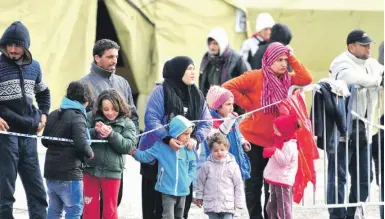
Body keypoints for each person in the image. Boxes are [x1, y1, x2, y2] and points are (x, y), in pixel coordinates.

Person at [223, 42, 312, 219]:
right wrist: (249, 105)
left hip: (276, 143)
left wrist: (291, 56)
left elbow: (306, 78)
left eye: (285, 60)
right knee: (254, 184)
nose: (284, 64)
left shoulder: (288, 80)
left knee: (272, 185)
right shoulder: (255, 76)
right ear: (269, 60)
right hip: (254, 141)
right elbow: (227, 87)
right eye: (279, 60)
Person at [139, 56, 212, 219]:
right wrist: (167, 139)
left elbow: (206, 122)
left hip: (183, 157)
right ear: (178, 71)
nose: (194, 72)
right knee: (155, 205)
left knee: (181, 206)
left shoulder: (197, 94)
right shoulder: (161, 91)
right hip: (158, 157)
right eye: (189, 69)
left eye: (194, 68)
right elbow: (151, 118)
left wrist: (196, 138)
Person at [328, 30, 383, 219]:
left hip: (365, 130)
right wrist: (378, 81)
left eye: (369, 44)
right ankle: (337, 216)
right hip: (341, 129)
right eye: (364, 44)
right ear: (351, 46)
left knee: (365, 178)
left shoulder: (372, 64)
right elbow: (350, 79)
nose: (369, 48)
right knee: (338, 177)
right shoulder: (340, 62)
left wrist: (379, 78)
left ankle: (350, 215)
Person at [80, 38, 139, 211]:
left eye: (116, 56)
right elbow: (79, 121)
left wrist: (129, 140)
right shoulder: (84, 84)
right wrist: (94, 134)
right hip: (92, 160)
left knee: (113, 204)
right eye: (110, 56)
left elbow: (132, 116)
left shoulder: (122, 83)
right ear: (97, 58)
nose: (114, 60)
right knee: (90, 207)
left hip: (115, 159)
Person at [0, 21, 51, 219]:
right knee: (5, 190)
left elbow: (44, 92)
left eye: (17, 45)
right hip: (5, 136)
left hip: (28, 134)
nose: (12, 50)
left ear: (26, 46)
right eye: (8, 45)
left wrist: (44, 113)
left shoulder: (35, 67)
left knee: (37, 190)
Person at [42, 81, 94, 219]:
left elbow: (44, 140)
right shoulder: (78, 116)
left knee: (54, 210)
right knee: (74, 211)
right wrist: (90, 153)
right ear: (86, 100)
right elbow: (81, 144)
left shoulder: (53, 114)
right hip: (69, 173)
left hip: (50, 172)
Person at [82, 89, 137, 219]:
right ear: (100, 107)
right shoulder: (91, 117)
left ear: (121, 106)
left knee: (110, 210)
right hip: (90, 169)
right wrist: (94, 132)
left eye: (114, 109)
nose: (110, 113)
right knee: (89, 207)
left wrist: (111, 135)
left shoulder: (127, 123)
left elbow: (128, 146)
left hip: (112, 172)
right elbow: (80, 135)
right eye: (106, 109)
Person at [132, 115, 197, 219]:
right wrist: (133, 151)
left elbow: (193, 166)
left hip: (183, 190)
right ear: (176, 132)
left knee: (179, 216)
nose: (188, 137)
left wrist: (187, 180)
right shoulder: (161, 146)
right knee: (168, 216)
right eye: (185, 134)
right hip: (167, 190)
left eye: (190, 134)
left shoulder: (188, 149)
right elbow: (145, 157)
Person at [199, 85, 251, 180]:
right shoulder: (210, 122)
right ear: (218, 106)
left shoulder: (231, 119)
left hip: (236, 165)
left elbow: (237, 133)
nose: (232, 108)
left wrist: (243, 142)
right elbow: (219, 138)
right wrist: (229, 121)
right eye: (228, 104)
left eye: (232, 104)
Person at [194, 133, 246, 219]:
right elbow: (200, 182)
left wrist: (239, 202)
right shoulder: (206, 166)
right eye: (216, 150)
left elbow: (238, 185)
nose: (219, 153)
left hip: (228, 205)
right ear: (211, 150)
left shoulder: (233, 166)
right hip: (211, 205)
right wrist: (199, 197)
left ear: (227, 148)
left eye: (222, 149)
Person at [263, 114, 299, 219]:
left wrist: (274, 151)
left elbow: (284, 162)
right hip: (276, 179)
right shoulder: (282, 142)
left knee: (283, 208)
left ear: (285, 131)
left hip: (283, 181)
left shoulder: (289, 145)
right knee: (271, 207)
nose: (275, 132)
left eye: (277, 130)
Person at [199, 27, 248, 97]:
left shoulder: (237, 60)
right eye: (209, 43)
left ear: (222, 43)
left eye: (215, 43)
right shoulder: (206, 60)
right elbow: (203, 86)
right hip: (211, 105)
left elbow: (246, 87)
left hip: (232, 105)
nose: (211, 47)